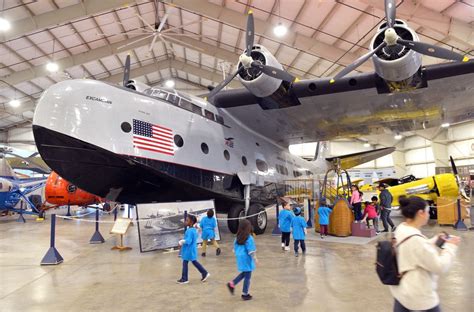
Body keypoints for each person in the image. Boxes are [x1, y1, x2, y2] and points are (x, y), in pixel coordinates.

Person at [390, 196, 460, 311]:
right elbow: (440, 266)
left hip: (402, 292)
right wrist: (451, 246)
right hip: (419, 296)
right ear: (420, 213)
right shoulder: (416, 240)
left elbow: (415, 249)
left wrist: (434, 240)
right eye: (427, 212)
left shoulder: (402, 228)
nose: (428, 215)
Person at [227, 219, 258, 301]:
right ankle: (245, 293)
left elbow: (234, 248)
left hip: (240, 257)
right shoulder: (249, 238)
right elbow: (251, 250)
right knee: (248, 276)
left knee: (245, 273)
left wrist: (236, 252)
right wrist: (255, 258)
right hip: (247, 258)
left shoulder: (237, 237)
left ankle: (232, 283)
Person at [177, 215, 210, 284]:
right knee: (193, 262)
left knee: (186, 263)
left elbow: (188, 241)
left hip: (188, 250)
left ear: (191, 222)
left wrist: (181, 241)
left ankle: (185, 278)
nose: (185, 222)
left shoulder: (189, 231)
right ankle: (204, 273)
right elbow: (195, 236)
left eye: (187, 220)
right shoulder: (194, 230)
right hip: (192, 249)